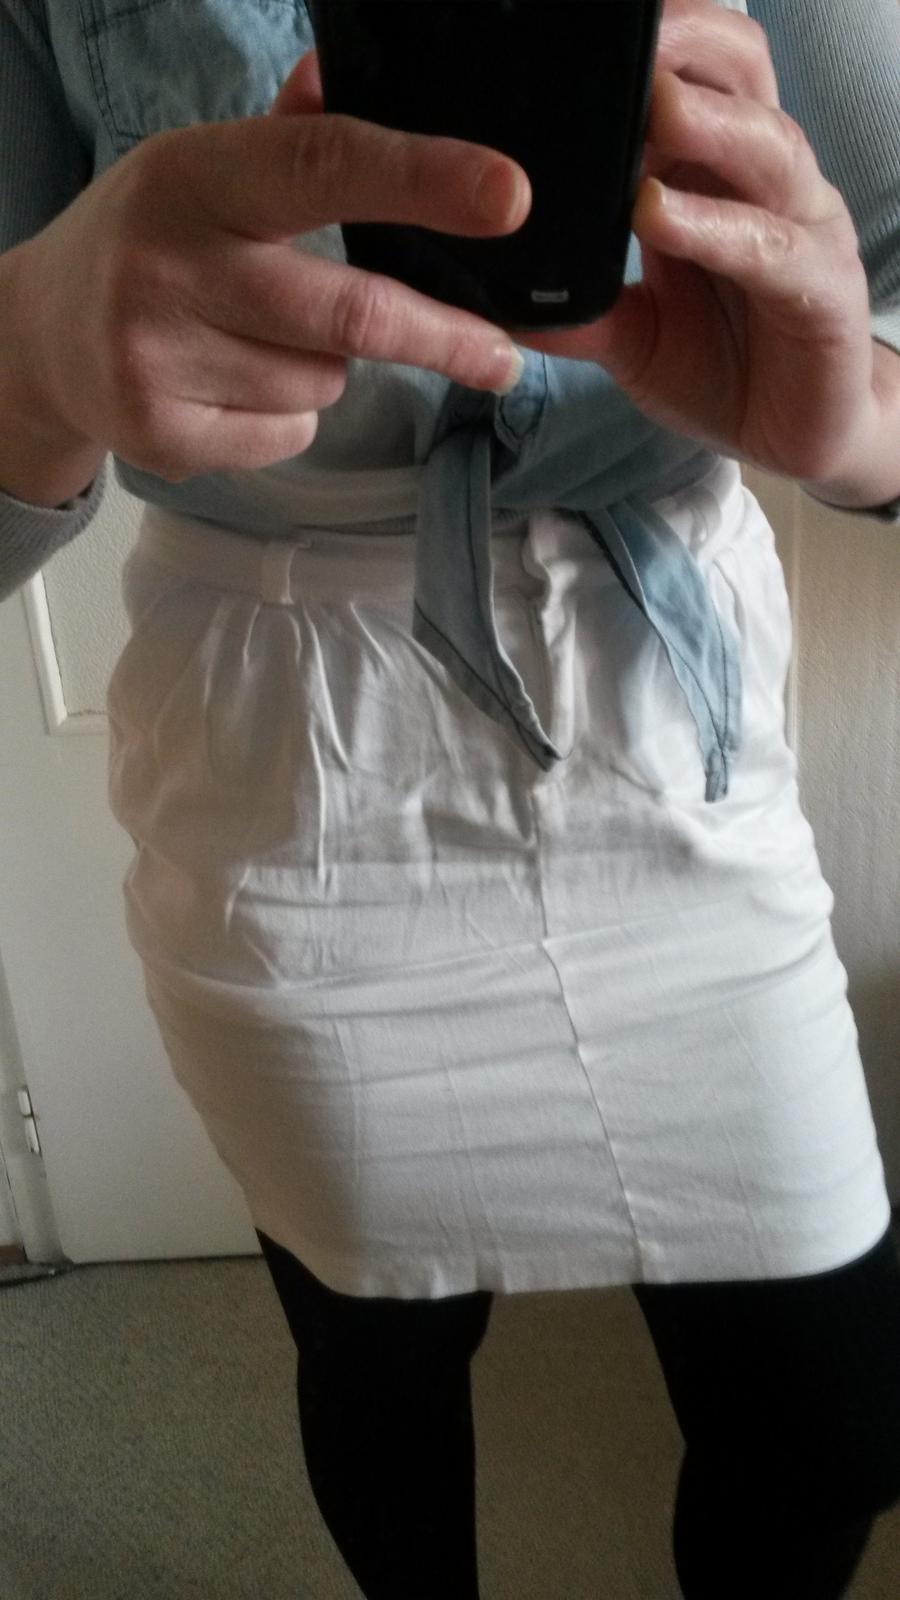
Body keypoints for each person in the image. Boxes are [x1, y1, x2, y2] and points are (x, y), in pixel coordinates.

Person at [2, 1, 900, 1595]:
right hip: (291, 764)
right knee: (379, 1352)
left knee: (833, 1423)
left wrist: (865, 427)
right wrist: (28, 361)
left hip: (665, 720)